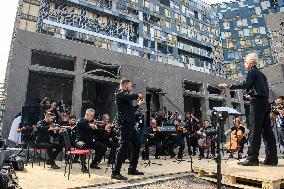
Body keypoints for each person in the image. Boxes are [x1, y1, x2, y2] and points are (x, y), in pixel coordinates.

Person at [218, 53, 278, 166]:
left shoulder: (252, 71)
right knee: (267, 132)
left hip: (257, 103)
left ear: (250, 62)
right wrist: (251, 93)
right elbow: (257, 88)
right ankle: (272, 158)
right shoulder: (262, 75)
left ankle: (252, 158)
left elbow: (246, 84)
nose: (244, 64)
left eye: (245, 61)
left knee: (254, 130)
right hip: (265, 103)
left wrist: (228, 86)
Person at [111, 78, 145, 180]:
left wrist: (138, 105)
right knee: (123, 146)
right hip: (125, 124)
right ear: (125, 85)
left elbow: (131, 111)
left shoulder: (127, 98)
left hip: (130, 124)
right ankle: (115, 172)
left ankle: (132, 168)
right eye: (130, 85)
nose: (131, 87)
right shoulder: (120, 94)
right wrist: (137, 95)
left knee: (137, 144)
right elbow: (130, 96)